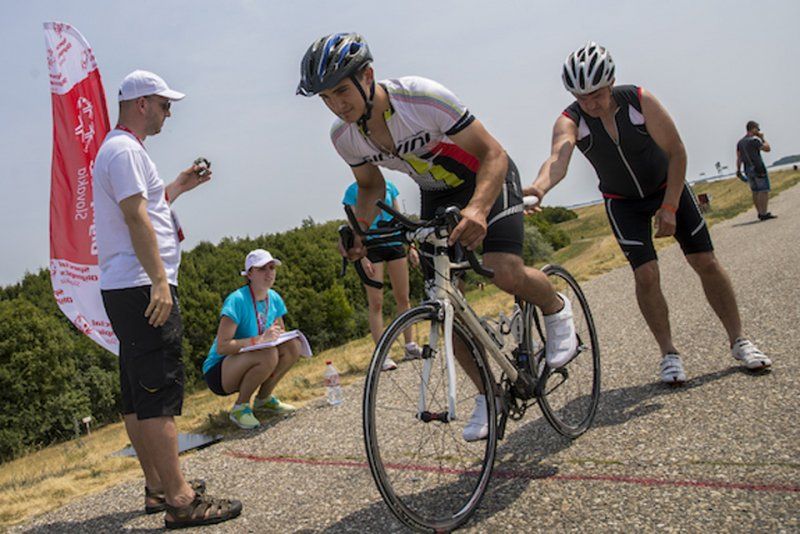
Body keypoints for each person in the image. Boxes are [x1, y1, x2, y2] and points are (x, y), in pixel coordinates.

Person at [297, 33, 578, 442]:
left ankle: (554, 307)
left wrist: (479, 209)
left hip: (486, 175)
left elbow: (493, 153)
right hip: (437, 193)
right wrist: (359, 232)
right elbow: (371, 187)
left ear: (368, 76)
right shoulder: (345, 137)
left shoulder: (421, 98)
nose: (337, 104)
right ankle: (489, 395)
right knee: (440, 300)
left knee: (503, 270)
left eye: (341, 90)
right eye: (326, 97)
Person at [524, 42, 771, 385]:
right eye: (580, 97)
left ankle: (739, 340)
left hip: (666, 187)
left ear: (610, 82)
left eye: (596, 94)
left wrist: (669, 206)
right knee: (646, 276)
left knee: (706, 263)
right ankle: (669, 354)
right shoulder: (571, 120)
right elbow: (558, 159)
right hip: (622, 202)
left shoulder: (639, 101)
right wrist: (538, 188)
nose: (590, 103)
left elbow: (677, 152)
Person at [93, 70, 241, 528]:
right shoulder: (122, 150)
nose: (168, 112)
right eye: (164, 104)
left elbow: (150, 206)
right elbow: (137, 219)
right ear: (141, 103)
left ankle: (158, 487)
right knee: (158, 390)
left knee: (139, 394)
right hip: (142, 284)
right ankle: (180, 499)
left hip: (127, 284)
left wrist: (178, 185)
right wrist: (159, 281)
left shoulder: (123, 150)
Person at [202, 249, 302, 429]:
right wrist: (259, 340)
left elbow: (280, 333)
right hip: (219, 371)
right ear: (249, 274)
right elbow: (222, 347)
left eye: (272, 267)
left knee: (293, 346)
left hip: (253, 357)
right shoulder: (237, 300)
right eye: (262, 269)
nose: (269, 273)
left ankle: (264, 399)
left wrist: (274, 337)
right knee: (268, 354)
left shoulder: (274, 298)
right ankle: (240, 408)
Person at [342, 180, 421, 371]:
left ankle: (409, 345)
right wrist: (361, 257)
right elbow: (354, 227)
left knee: (403, 297)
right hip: (371, 247)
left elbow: (399, 217)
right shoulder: (352, 191)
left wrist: (411, 246)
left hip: (394, 242)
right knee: (376, 302)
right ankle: (382, 353)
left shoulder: (390, 186)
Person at [736, 121, 776, 221]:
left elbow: (739, 157)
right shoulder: (754, 140)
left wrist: (738, 170)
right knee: (763, 190)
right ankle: (764, 213)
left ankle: (759, 212)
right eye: (757, 129)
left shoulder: (740, 142)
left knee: (755, 191)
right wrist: (762, 138)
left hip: (747, 169)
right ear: (752, 128)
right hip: (758, 168)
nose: (758, 131)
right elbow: (767, 148)